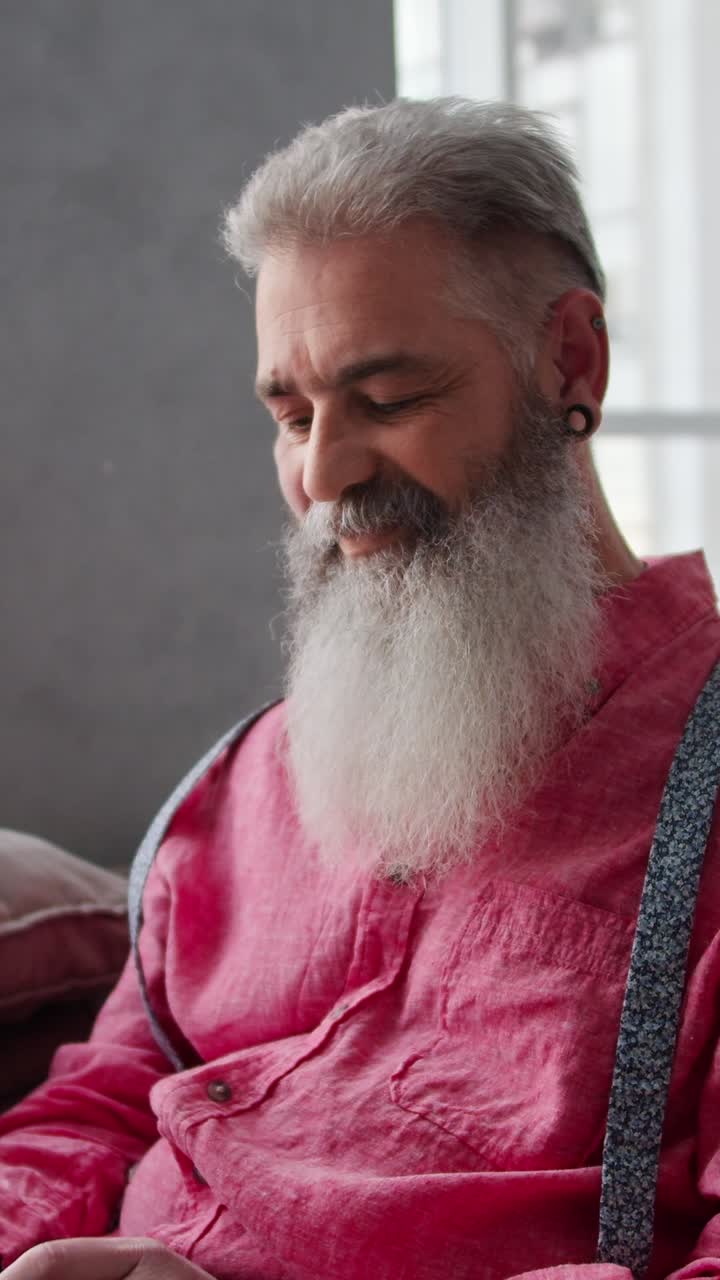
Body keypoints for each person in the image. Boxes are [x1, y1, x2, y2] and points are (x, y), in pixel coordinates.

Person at [1, 96, 719, 1280]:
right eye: (291, 413)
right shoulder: (246, 783)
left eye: (388, 400)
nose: (325, 475)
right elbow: (97, 1108)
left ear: (570, 361)